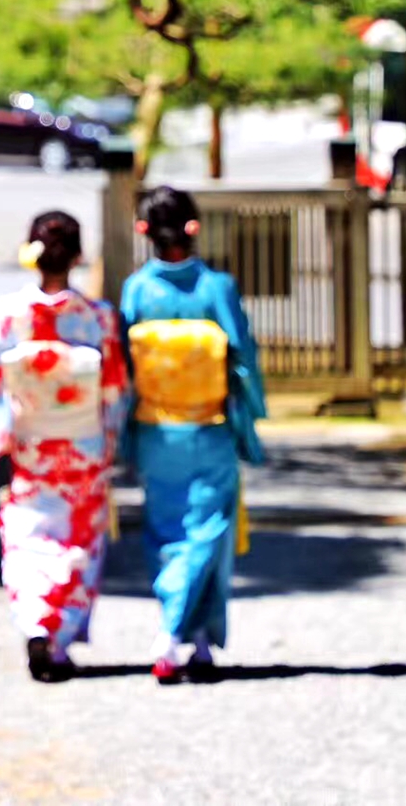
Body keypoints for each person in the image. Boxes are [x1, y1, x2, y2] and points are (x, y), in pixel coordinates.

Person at [120, 186, 266, 685]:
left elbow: (124, 367)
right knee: (207, 531)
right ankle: (176, 634)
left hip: (156, 430)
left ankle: (195, 637)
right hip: (208, 428)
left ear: (143, 231)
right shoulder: (215, 288)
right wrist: (249, 419)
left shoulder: (138, 290)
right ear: (194, 227)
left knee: (166, 533)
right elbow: (243, 360)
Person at [0, 210, 128, 682]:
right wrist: (109, 439)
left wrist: (2, 433)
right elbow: (113, 390)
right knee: (79, 540)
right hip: (83, 445)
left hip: (32, 446)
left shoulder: (10, 314)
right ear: (79, 256)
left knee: (28, 536)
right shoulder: (97, 317)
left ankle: (34, 625)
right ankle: (60, 638)